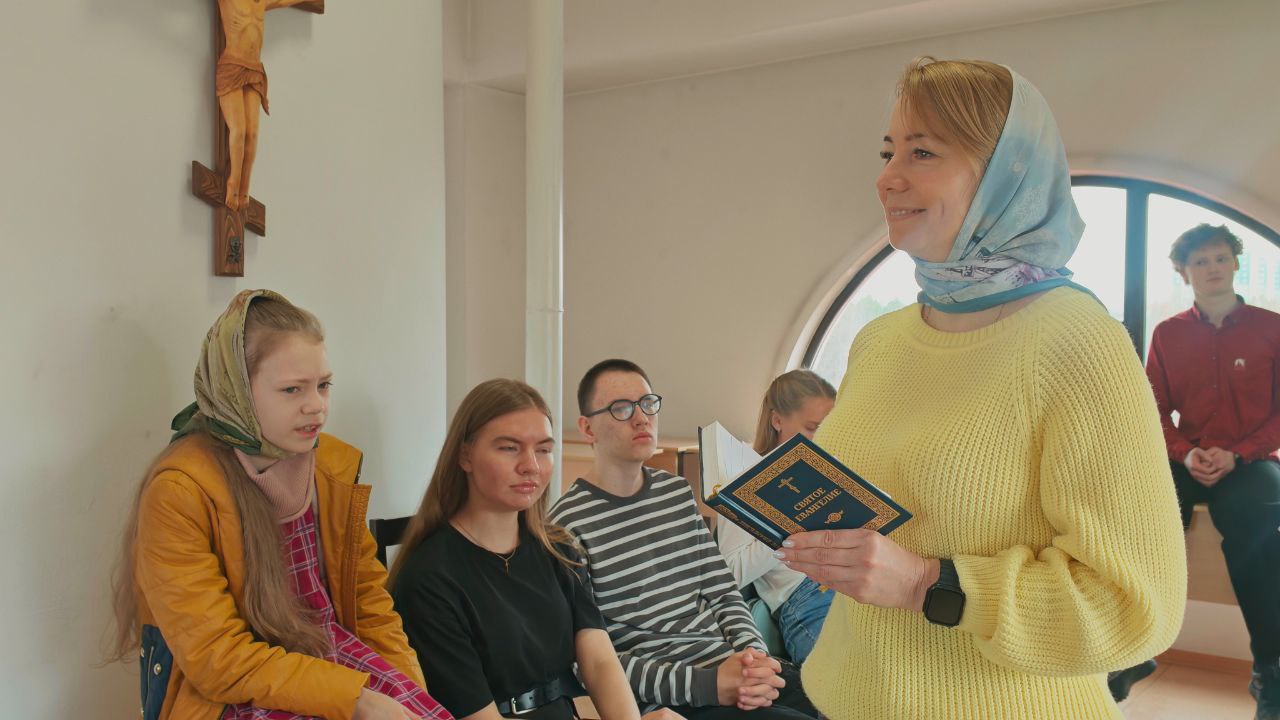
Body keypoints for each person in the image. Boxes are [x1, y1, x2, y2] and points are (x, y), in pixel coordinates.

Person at [774, 58, 1187, 719]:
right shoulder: (879, 341)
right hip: (845, 699)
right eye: (887, 152)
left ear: (1005, 175)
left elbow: (1136, 608)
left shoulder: (1077, 342)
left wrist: (926, 583)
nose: (887, 177)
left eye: (922, 152)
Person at [108, 289, 446, 720]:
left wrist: (408, 690)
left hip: (337, 665)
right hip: (236, 693)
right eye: (292, 389)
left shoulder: (330, 467)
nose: (316, 407)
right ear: (235, 391)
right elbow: (218, 659)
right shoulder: (179, 492)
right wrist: (357, 700)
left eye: (323, 385)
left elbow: (369, 604)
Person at [550, 359, 818, 720]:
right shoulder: (566, 526)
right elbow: (589, 663)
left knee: (848, 701)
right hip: (676, 697)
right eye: (621, 408)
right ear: (587, 428)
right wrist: (710, 684)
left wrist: (755, 658)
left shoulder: (675, 492)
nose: (641, 418)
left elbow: (723, 591)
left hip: (734, 668)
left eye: (648, 404)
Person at [389, 379, 668, 720]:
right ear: (465, 456)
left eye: (544, 450)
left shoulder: (558, 550)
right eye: (509, 448)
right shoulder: (429, 579)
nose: (531, 466)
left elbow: (599, 662)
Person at [1146, 223, 1280, 719]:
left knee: (1258, 529)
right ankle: (1133, 650)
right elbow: (1152, 410)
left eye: (1221, 258)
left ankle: (1270, 670)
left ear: (1235, 263)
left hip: (1253, 462)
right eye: (1200, 262)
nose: (1213, 268)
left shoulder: (1272, 327)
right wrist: (1184, 453)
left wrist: (1238, 454)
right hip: (1188, 457)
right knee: (1140, 509)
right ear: (1184, 272)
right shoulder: (1168, 333)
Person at [714, 370, 836, 664]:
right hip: (805, 597)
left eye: (830, 428)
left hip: (850, 583)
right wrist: (788, 527)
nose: (823, 438)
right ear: (777, 421)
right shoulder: (747, 481)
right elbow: (730, 575)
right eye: (812, 428)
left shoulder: (832, 467)